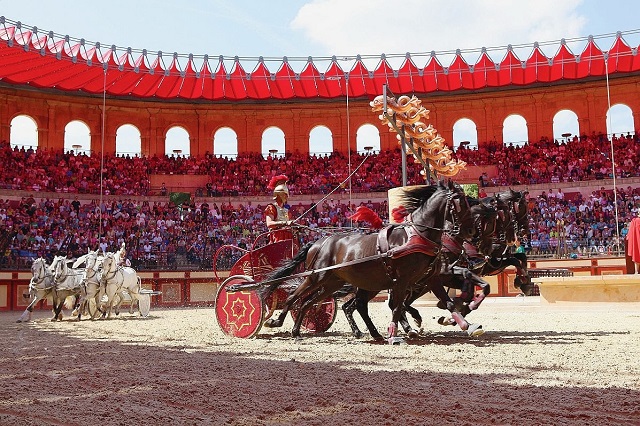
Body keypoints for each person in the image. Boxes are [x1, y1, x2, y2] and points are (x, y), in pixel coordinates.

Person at [264, 175, 293, 243]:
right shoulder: (271, 207)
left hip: (287, 237)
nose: (287, 196)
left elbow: (289, 223)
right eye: (285, 194)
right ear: (279, 194)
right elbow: (269, 224)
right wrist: (285, 223)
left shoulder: (286, 210)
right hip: (276, 238)